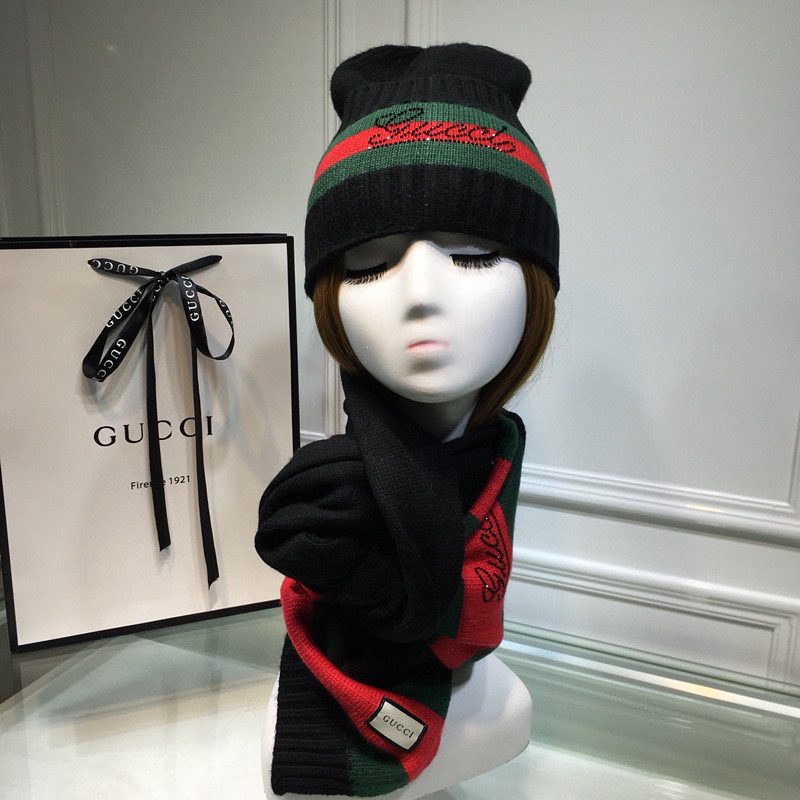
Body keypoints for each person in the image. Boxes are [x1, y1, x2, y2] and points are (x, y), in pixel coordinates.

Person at [255, 42, 559, 798]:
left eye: (474, 253)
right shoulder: (324, 518)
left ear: (538, 283)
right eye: (368, 261)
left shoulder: (494, 470)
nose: (420, 291)